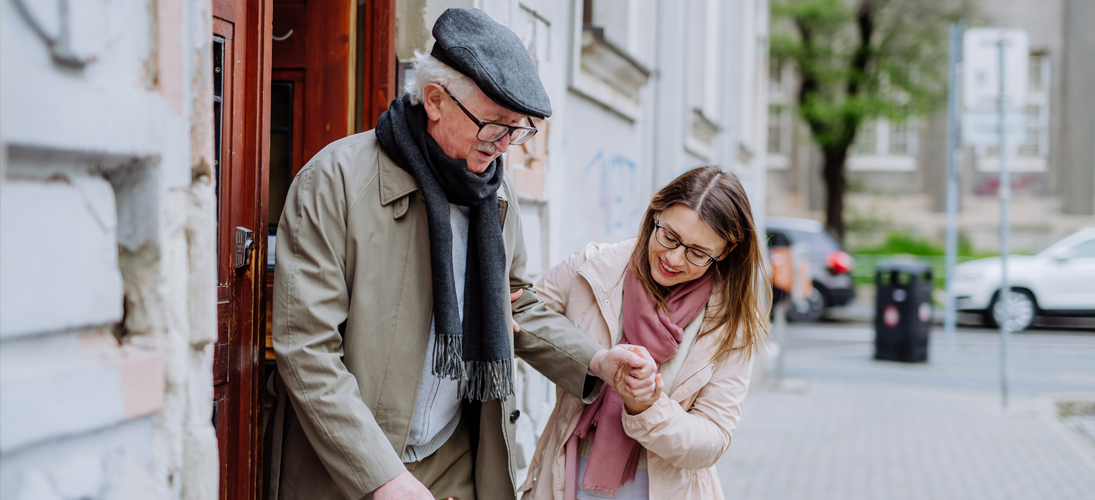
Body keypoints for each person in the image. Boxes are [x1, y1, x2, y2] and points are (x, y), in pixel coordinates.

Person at [267, 8, 658, 500]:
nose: (505, 147)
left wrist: (597, 360)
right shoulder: (335, 181)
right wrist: (383, 480)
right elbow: (307, 352)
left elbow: (513, 303)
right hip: (350, 470)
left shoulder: (494, 192)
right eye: (495, 126)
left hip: (455, 461)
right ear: (435, 100)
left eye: (518, 130)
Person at [518, 166, 771, 500]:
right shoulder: (591, 270)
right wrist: (594, 362)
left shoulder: (730, 322)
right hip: (564, 478)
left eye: (697, 253)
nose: (674, 258)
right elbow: (522, 320)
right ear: (656, 214)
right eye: (669, 235)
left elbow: (713, 441)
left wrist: (649, 407)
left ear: (724, 252)